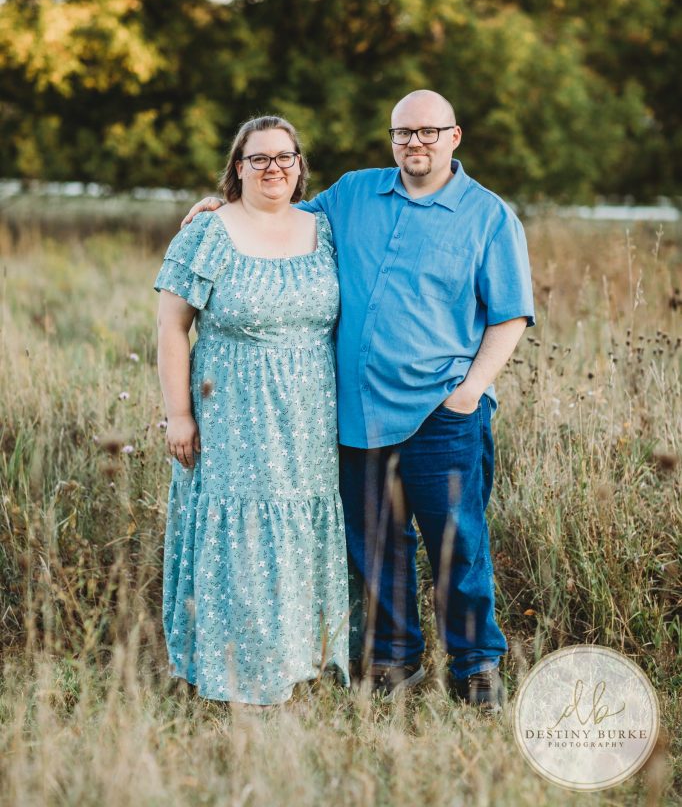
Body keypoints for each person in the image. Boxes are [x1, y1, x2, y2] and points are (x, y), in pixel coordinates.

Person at [183, 90, 534, 710]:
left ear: (455, 136)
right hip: (356, 413)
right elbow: (280, 215)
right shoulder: (352, 194)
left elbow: (509, 315)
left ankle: (477, 665)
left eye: (429, 132)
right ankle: (396, 660)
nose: (415, 144)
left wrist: (469, 393)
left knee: (459, 545)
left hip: (440, 413)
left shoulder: (488, 215)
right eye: (403, 133)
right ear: (391, 138)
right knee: (376, 546)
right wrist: (222, 206)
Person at [155, 115, 349, 705]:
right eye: (258, 159)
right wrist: (180, 414)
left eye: (284, 158)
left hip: (310, 417)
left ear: (300, 167)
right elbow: (170, 327)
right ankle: (231, 668)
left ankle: (298, 658)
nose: (273, 169)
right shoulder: (208, 232)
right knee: (238, 530)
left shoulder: (324, 227)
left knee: (298, 526)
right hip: (231, 415)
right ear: (237, 168)